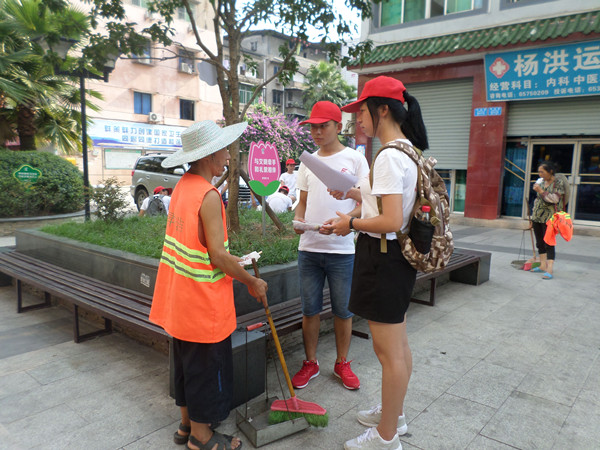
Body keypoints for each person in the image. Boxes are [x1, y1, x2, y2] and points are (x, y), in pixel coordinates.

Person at [149, 120, 268, 450]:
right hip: (203, 304)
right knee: (205, 370)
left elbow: (198, 247)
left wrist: (232, 262)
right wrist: (252, 281)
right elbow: (216, 255)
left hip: (179, 299)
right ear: (208, 155)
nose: (229, 156)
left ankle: (187, 425)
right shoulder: (209, 195)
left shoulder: (183, 187)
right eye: (224, 150)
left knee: (187, 367)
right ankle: (202, 438)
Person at [328, 76, 429, 449]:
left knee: (389, 354)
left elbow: (389, 220)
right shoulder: (408, 151)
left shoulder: (387, 156)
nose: (358, 119)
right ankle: (393, 415)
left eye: (362, 111)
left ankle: (385, 438)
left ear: (383, 110)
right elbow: (391, 204)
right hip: (397, 258)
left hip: (383, 257)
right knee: (398, 346)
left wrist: (350, 223)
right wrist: (356, 194)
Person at [292, 101, 369, 392]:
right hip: (309, 248)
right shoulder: (308, 161)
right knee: (309, 310)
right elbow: (302, 202)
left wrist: (346, 221)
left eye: (323, 126)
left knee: (343, 311)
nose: (316, 132)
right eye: (312, 127)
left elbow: (367, 202)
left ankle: (342, 362)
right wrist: (299, 220)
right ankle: (310, 362)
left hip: (342, 250)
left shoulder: (355, 159)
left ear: (339, 126)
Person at [529, 161, 565, 280]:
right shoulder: (541, 182)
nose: (540, 174)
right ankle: (542, 265)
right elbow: (537, 200)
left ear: (550, 171)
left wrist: (541, 191)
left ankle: (549, 269)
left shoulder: (558, 183)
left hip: (549, 218)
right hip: (537, 216)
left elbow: (555, 199)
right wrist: (532, 216)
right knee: (539, 242)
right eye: (539, 172)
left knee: (549, 243)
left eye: (542, 172)